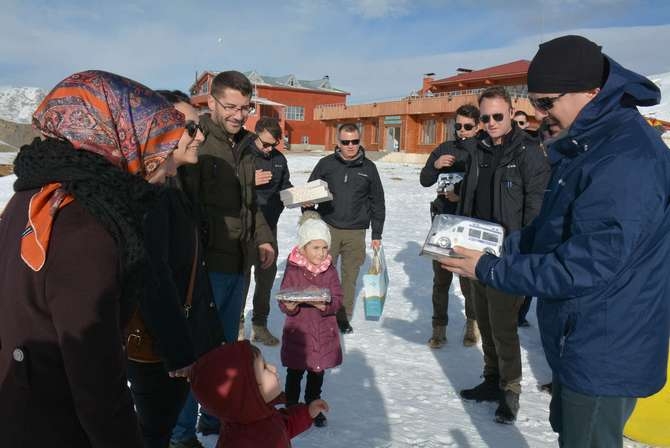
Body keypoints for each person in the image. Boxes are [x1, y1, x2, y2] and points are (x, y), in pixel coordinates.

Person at [441, 35, 670, 447]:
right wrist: (500, 246)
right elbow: (555, 230)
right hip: (583, 334)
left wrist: (492, 268)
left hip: (606, 345)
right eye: (535, 104)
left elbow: (586, 264)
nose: (540, 114)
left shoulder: (624, 159)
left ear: (592, 92)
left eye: (547, 102)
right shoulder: (592, 142)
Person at [0, 70, 185, 447]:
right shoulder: (84, 226)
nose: (171, 165)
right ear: (123, 136)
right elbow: (95, 379)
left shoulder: (30, 197)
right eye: (162, 148)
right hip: (55, 423)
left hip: (19, 405)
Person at [175, 71, 276, 440]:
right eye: (230, 106)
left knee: (225, 350)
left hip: (239, 263)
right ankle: (181, 431)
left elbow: (252, 204)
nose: (238, 114)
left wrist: (263, 239)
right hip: (206, 268)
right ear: (211, 103)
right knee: (196, 352)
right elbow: (186, 208)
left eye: (244, 107)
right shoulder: (198, 141)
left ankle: (215, 415)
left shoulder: (246, 145)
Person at [126, 90, 224, 448]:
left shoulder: (173, 185)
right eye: (189, 128)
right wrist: (178, 348)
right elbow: (152, 276)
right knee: (154, 432)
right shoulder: (153, 193)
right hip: (160, 349)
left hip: (175, 340)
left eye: (199, 128)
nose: (199, 136)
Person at [453, 86, 551, 424]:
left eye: (498, 116)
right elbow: (469, 197)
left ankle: (510, 388)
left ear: (511, 113)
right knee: (482, 316)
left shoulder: (529, 152)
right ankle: (491, 379)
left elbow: (536, 211)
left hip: (507, 255)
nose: (492, 122)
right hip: (474, 249)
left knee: (503, 326)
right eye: (486, 117)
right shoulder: (477, 149)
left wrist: (519, 254)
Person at [306, 123, 386, 334]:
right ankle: (320, 313)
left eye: (354, 141)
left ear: (360, 142)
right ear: (338, 142)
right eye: (345, 142)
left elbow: (378, 202)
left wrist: (377, 234)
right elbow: (309, 192)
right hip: (328, 229)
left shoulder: (369, 168)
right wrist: (307, 211)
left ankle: (342, 316)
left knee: (349, 277)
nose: (350, 146)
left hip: (355, 232)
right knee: (322, 273)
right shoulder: (326, 164)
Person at [419, 104, 481, 348]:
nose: (462, 131)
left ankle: (472, 325)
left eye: (468, 126)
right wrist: (434, 167)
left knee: (469, 282)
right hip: (443, 223)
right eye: (458, 126)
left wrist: (461, 195)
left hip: (469, 223)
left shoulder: (482, 149)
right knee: (441, 281)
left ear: (478, 127)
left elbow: (485, 187)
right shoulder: (444, 148)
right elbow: (424, 180)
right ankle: (438, 329)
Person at [189, 341, 328, 448]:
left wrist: (307, 412)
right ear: (247, 393)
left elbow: (283, 427)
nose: (273, 367)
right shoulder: (239, 442)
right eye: (264, 368)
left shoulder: (263, 414)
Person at [277, 211, 343, 428]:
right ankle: (292, 407)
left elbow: (338, 299)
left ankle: (314, 408)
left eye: (325, 247)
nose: (321, 253)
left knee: (316, 374)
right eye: (316, 248)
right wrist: (289, 306)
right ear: (303, 248)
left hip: (323, 333)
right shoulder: (294, 268)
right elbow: (284, 296)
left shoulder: (330, 270)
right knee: (294, 373)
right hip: (298, 331)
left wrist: (325, 305)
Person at [240, 116, 292, 346]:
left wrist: (299, 198)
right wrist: (248, 180)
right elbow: (227, 185)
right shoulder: (244, 154)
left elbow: (285, 186)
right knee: (241, 281)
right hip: (245, 228)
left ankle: (260, 326)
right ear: (256, 134)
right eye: (265, 143)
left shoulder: (279, 159)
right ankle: (237, 326)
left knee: (266, 281)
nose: (269, 149)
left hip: (270, 229)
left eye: (273, 145)